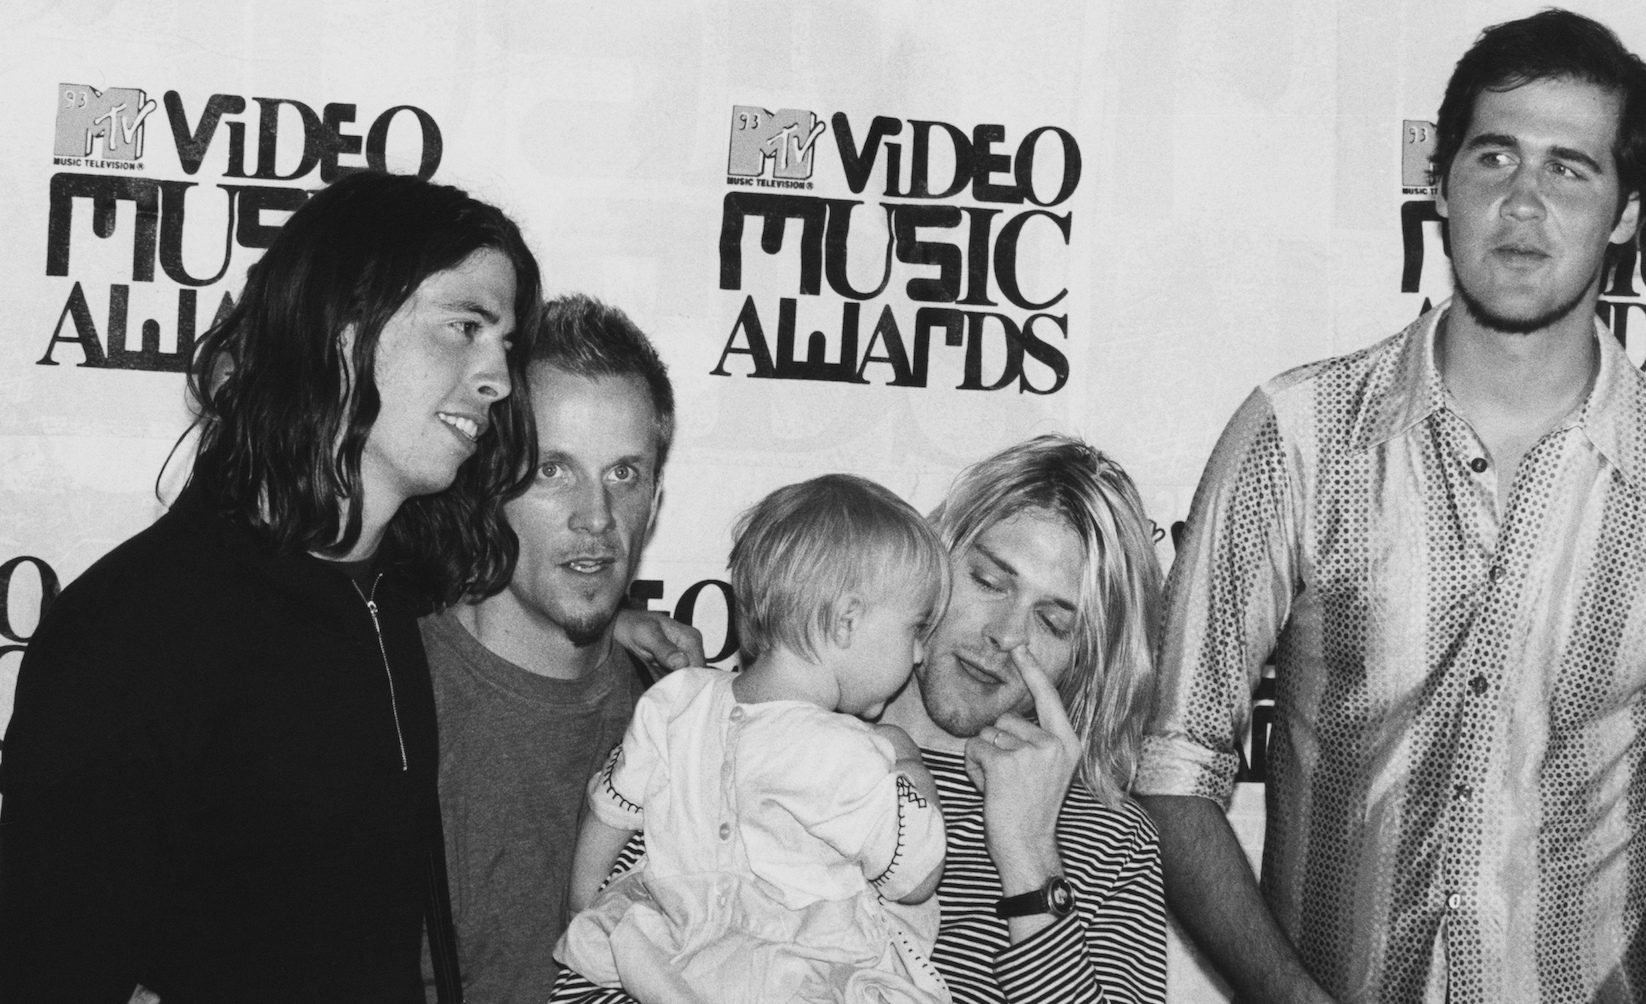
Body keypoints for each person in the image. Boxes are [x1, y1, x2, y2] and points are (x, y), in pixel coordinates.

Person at [1136, 11, 1646, 1004]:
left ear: (1624, 213)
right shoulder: (1295, 435)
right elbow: (1177, 764)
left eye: (1571, 167)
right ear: (1440, 185)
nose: (1524, 202)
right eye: (1495, 156)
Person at [0, 171, 541, 1002]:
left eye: (504, 343)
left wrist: (620, 638)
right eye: (463, 326)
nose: (497, 377)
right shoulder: (131, 633)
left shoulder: (397, 597)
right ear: (343, 324)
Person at [551, 434, 1169, 1004]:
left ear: (1084, 657)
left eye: (1052, 622)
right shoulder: (719, 728)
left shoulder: (1111, 845)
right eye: (988, 581)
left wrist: (1030, 855)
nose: (1004, 636)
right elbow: (591, 977)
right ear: (930, 561)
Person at [556, 474, 953, 1003]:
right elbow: (914, 875)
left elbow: (608, 811)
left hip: (674, 959)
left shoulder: (676, 702)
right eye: (915, 629)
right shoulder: (850, 754)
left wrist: (583, 907)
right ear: (847, 621)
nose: (920, 654)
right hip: (801, 978)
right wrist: (907, 764)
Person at [422, 294, 701, 1004]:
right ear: (487, 486)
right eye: (553, 470)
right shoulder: (390, 700)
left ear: (656, 504)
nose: (596, 516)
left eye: (623, 474)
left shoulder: (687, 719)